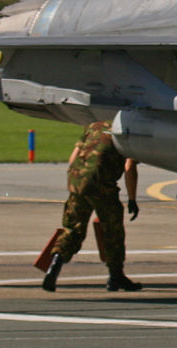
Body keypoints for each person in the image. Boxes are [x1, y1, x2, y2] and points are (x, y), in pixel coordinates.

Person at [42, 120, 142, 292]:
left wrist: (75, 183)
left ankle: (54, 266)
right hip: (100, 184)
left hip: (77, 179)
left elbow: (74, 157)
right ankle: (115, 275)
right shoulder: (129, 130)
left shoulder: (93, 126)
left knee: (73, 229)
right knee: (112, 229)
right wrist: (132, 199)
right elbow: (129, 166)